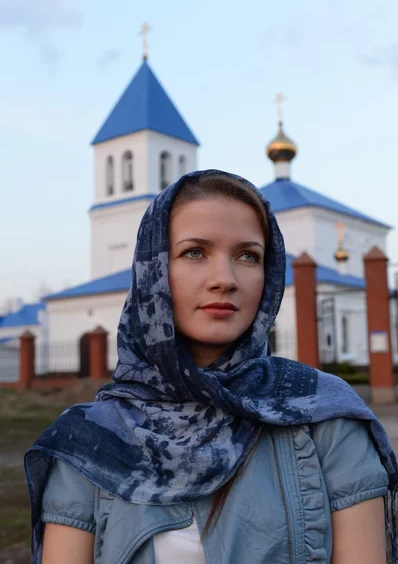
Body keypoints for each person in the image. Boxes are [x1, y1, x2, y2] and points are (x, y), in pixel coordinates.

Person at [25, 170, 398, 564]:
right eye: (195, 252)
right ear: (153, 271)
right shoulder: (90, 441)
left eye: (248, 256)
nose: (225, 279)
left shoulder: (325, 418)